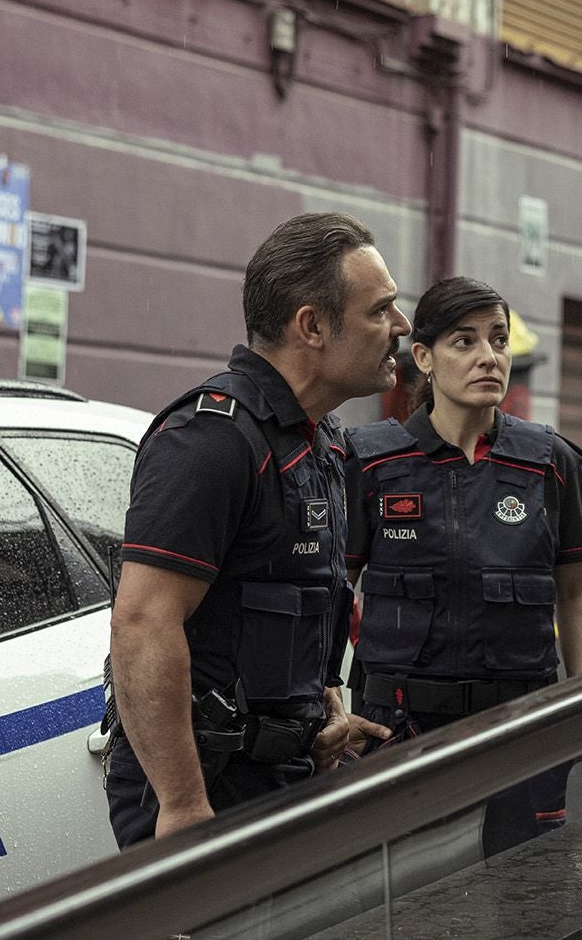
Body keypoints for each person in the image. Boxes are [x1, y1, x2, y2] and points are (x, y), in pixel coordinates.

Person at [103, 212, 410, 847]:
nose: (400, 329)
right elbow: (142, 622)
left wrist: (323, 706)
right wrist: (184, 807)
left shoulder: (318, 439)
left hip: (283, 774)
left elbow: (302, 600)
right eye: (381, 310)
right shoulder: (212, 439)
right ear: (313, 326)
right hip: (208, 788)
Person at [343, 277, 582, 857]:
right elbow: (335, 590)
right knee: (412, 901)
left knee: (529, 897)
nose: (489, 357)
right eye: (465, 341)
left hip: (522, 725)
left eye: (499, 340)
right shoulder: (371, 462)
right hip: (398, 728)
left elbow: (575, 593)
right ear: (425, 359)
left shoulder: (550, 462)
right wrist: (329, 696)